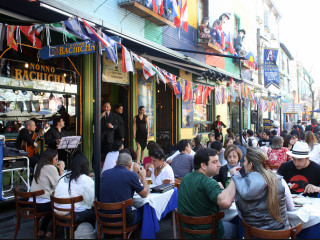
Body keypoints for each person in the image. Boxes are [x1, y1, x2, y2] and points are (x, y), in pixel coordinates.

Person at [178, 148, 237, 239]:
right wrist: (234, 177)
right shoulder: (208, 182)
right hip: (209, 234)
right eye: (215, 162)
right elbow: (226, 202)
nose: (219, 165)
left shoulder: (185, 179)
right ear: (203, 166)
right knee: (239, 228)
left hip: (186, 233)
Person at [231, 147, 293, 230]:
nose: (243, 164)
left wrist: (235, 177)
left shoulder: (241, 184)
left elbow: (241, 215)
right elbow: (291, 208)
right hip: (282, 235)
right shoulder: (279, 180)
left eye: (245, 161)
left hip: (255, 235)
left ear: (251, 164)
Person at [100, 153, 148, 226]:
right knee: (144, 213)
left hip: (104, 218)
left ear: (116, 163)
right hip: (123, 219)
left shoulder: (104, 174)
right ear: (130, 165)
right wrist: (143, 176)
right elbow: (144, 194)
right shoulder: (131, 175)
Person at [30, 149, 65, 238]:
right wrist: (61, 170)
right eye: (56, 159)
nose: (57, 161)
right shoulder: (50, 168)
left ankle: (41, 230)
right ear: (50, 159)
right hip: (41, 204)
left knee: (50, 206)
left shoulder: (38, 165)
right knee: (58, 208)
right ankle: (50, 231)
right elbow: (60, 185)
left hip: (32, 202)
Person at [54, 154, 95, 225]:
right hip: (72, 214)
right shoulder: (85, 179)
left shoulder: (65, 175)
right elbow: (91, 202)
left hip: (57, 211)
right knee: (96, 211)